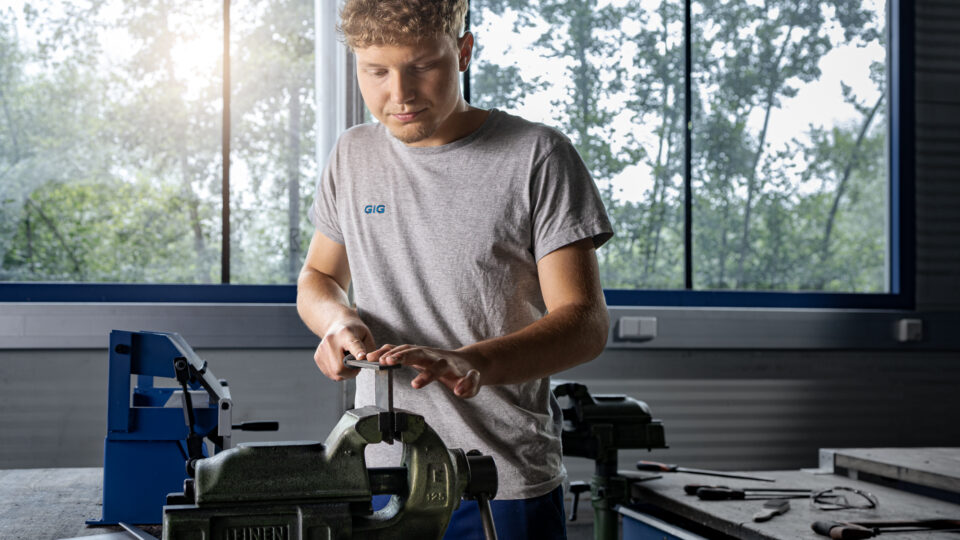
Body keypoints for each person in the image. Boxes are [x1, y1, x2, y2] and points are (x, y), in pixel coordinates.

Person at [296, 1, 613, 538]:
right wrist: (335, 321)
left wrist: (470, 362)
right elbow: (318, 279)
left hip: (502, 478)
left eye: (422, 66)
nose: (400, 93)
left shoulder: (538, 156)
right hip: (383, 474)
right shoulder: (352, 156)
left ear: (463, 52)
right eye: (377, 71)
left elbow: (584, 322)